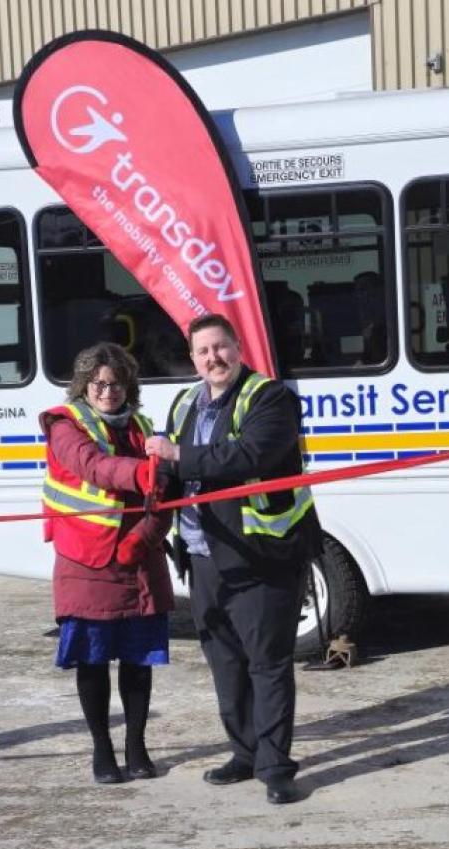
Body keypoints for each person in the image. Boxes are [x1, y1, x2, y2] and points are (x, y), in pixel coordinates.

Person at [145, 313, 319, 806]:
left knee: (267, 664)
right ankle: (244, 754)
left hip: (262, 556)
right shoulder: (184, 402)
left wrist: (176, 455)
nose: (213, 359)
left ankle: (276, 768)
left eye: (220, 348)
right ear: (193, 357)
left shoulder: (269, 397)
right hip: (203, 556)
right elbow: (169, 473)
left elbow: (248, 457)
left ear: (238, 348)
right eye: (203, 352)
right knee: (226, 664)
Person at [40, 344, 173, 785]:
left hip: (138, 560)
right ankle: (102, 752)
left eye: (116, 383)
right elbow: (91, 466)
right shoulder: (65, 424)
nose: (107, 391)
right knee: (93, 663)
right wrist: (140, 475)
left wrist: (146, 536)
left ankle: (137, 748)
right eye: (98, 382)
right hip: (88, 562)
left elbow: (165, 494)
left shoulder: (143, 426)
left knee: (138, 663)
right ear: (83, 385)